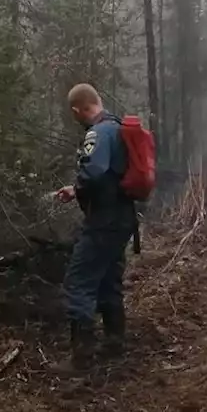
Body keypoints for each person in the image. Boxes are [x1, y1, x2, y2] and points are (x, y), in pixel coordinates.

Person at [52, 83, 137, 372]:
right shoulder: (117, 126)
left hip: (104, 220)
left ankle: (81, 358)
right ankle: (115, 342)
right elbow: (110, 173)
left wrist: (78, 185)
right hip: (123, 218)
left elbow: (96, 171)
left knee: (79, 282)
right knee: (109, 278)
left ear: (78, 110)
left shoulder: (97, 133)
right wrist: (76, 190)